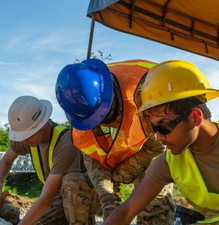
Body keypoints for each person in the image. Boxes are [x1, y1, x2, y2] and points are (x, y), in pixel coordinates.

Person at [103, 60, 219, 225]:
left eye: (164, 127)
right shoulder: (170, 163)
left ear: (195, 117)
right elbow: (127, 210)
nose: (158, 137)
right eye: (153, 128)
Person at [56, 59, 175, 224]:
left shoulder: (144, 95)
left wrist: (119, 175)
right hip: (115, 166)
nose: (100, 122)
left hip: (151, 153)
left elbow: (156, 147)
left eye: (101, 116)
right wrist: (107, 199)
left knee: (154, 200)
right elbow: (93, 161)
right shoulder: (80, 118)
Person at [0, 95, 100, 225]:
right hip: (58, 197)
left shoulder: (66, 143)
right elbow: (6, 161)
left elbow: (47, 197)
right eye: (21, 136)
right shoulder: (28, 138)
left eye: (27, 135)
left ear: (42, 125)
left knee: (71, 180)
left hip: (86, 195)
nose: (24, 140)